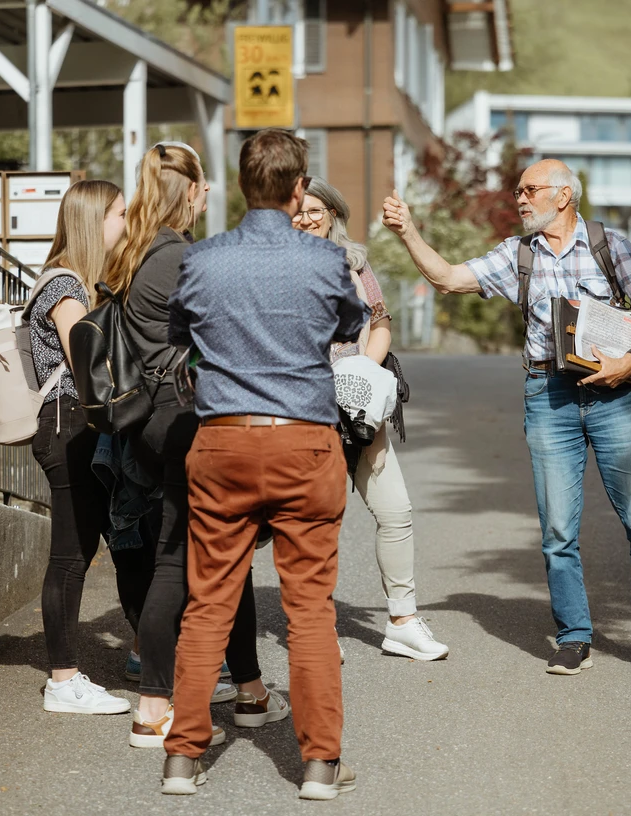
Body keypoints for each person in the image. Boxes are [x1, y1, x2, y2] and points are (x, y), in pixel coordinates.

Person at [382, 159, 631, 678]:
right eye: (518, 190)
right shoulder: (518, 253)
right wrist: (408, 230)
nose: (519, 198)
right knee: (557, 528)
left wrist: (630, 360)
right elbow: (449, 278)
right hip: (548, 395)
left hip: (616, 393)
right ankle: (573, 637)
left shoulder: (610, 244)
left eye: (530, 190)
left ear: (563, 196)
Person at [160, 129, 369, 799]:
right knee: (310, 611)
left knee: (208, 603)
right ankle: (319, 765)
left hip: (221, 440)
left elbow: (177, 337)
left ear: (244, 184)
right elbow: (347, 325)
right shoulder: (324, 259)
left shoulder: (203, 259)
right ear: (299, 187)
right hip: (304, 440)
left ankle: (182, 757)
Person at [104, 142, 284, 749]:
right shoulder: (178, 255)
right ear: (191, 192)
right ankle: (160, 704)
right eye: (205, 187)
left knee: (209, 557)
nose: (210, 197)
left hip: (156, 421)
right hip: (185, 418)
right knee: (183, 562)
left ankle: (242, 691)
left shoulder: (137, 249)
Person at [294, 177, 448, 661]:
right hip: (308, 411)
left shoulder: (355, 263)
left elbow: (379, 322)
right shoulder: (281, 264)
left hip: (359, 407)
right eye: (298, 210)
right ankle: (317, 628)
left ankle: (402, 620)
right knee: (317, 522)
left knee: (395, 512)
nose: (307, 218)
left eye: (316, 209)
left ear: (334, 213)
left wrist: (363, 370)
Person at [29, 180, 134, 714]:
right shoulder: (65, 285)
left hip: (76, 425)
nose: (126, 221)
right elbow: (84, 361)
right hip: (69, 423)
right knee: (70, 555)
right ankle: (63, 679)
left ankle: (73, 672)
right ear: (96, 220)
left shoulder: (80, 282)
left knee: (82, 550)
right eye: (120, 213)